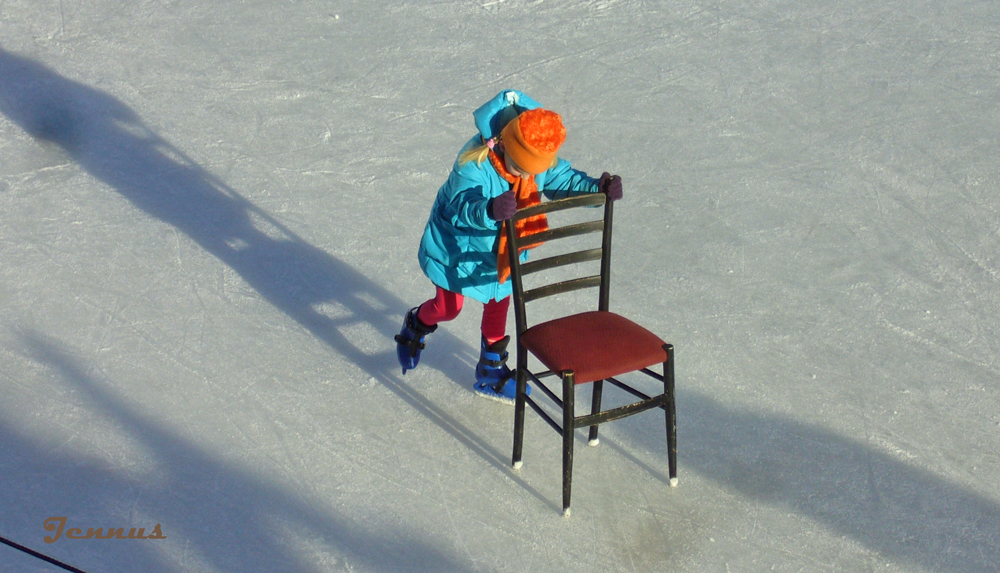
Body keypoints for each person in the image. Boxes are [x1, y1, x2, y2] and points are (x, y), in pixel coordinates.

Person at [395, 90, 623, 402]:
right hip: (458, 250)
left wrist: (598, 189)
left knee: (499, 300)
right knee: (449, 308)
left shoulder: (534, 161)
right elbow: (461, 204)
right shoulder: (472, 165)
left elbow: (563, 180)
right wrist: (488, 210)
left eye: (534, 170)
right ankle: (416, 323)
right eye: (520, 168)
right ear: (503, 146)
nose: (528, 177)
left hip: (502, 254)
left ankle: (491, 371)